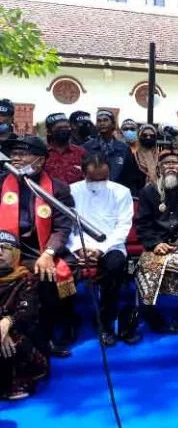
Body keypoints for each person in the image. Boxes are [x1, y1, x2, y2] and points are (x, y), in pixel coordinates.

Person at [1, 136, 75, 358]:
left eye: (23, 154)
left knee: (50, 274)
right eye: (14, 154)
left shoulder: (57, 189)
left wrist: (49, 253)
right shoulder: (1, 182)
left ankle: (46, 336)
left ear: (40, 160)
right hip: (5, 247)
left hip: (39, 248)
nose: (15, 158)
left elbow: (63, 227)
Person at [67, 154, 139, 346]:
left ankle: (106, 322)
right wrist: (79, 249)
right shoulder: (71, 191)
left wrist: (100, 250)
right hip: (78, 246)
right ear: (83, 174)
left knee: (115, 266)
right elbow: (67, 227)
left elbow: (123, 227)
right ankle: (68, 320)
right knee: (62, 269)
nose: (99, 183)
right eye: (94, 179)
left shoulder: (121, 192)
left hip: (111, 245)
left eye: (103, 179)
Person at [135, 147, 178, 333]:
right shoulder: (149, 192)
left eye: (175, 163)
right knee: (147, 266)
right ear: (159, 168)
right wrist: (155, 243)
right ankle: (151, 315)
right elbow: (142, 224)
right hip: (155, 245)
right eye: (166, 163)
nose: (171, 166)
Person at [0, 230, 47, 400]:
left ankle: (17, 380)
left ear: (15, 253)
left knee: (17, 330)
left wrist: (8, 322)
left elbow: (28, 312)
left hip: (25, 346)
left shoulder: (27, 280)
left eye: (5, 247)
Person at [83, 110, 141, 194]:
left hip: (117, 194)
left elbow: (131, 177)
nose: (102, 123)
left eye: (105, 120)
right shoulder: (87, 147)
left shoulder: (124, 149)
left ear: (113, 124)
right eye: (99, 121)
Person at [43, 113, 86, 185]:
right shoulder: (42, 153)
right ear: (49, 132)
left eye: (66, 127)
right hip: (47, 191)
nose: (64, 130)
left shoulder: (80, 152)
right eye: (59, 128)